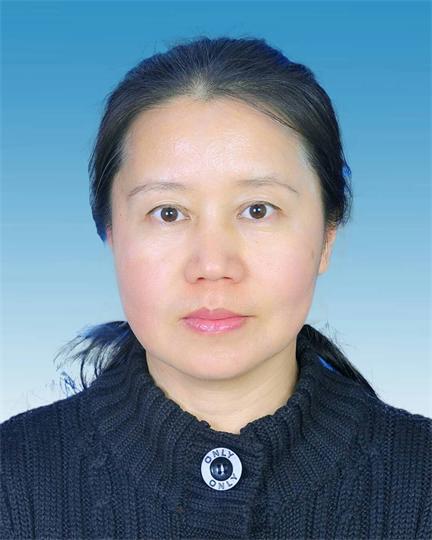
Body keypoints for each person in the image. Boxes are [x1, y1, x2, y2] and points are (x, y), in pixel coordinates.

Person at [1, 35, 430, 540]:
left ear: (327, 236)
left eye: (258, 210)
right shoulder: (13, 483)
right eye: (168, 213)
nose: (212, 265)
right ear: (112, 235)